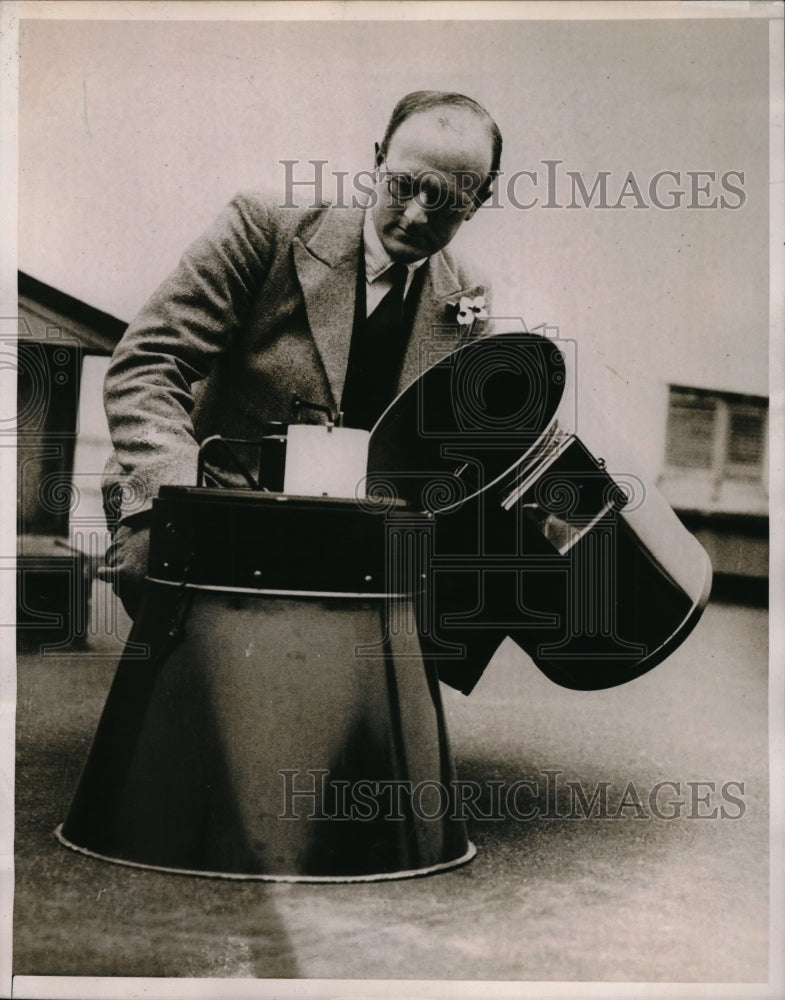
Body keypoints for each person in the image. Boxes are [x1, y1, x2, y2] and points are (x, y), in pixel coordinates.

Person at [99, 91, 502, 616]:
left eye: (447, 200)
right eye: (403, 185)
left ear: (480, 200)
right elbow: (147, 364)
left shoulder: (468, 297)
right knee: (166, 573)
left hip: (352, 526)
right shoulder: (263, 226)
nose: (418, 215)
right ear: (377, 159)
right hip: (214, 496)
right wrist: (183, 500)